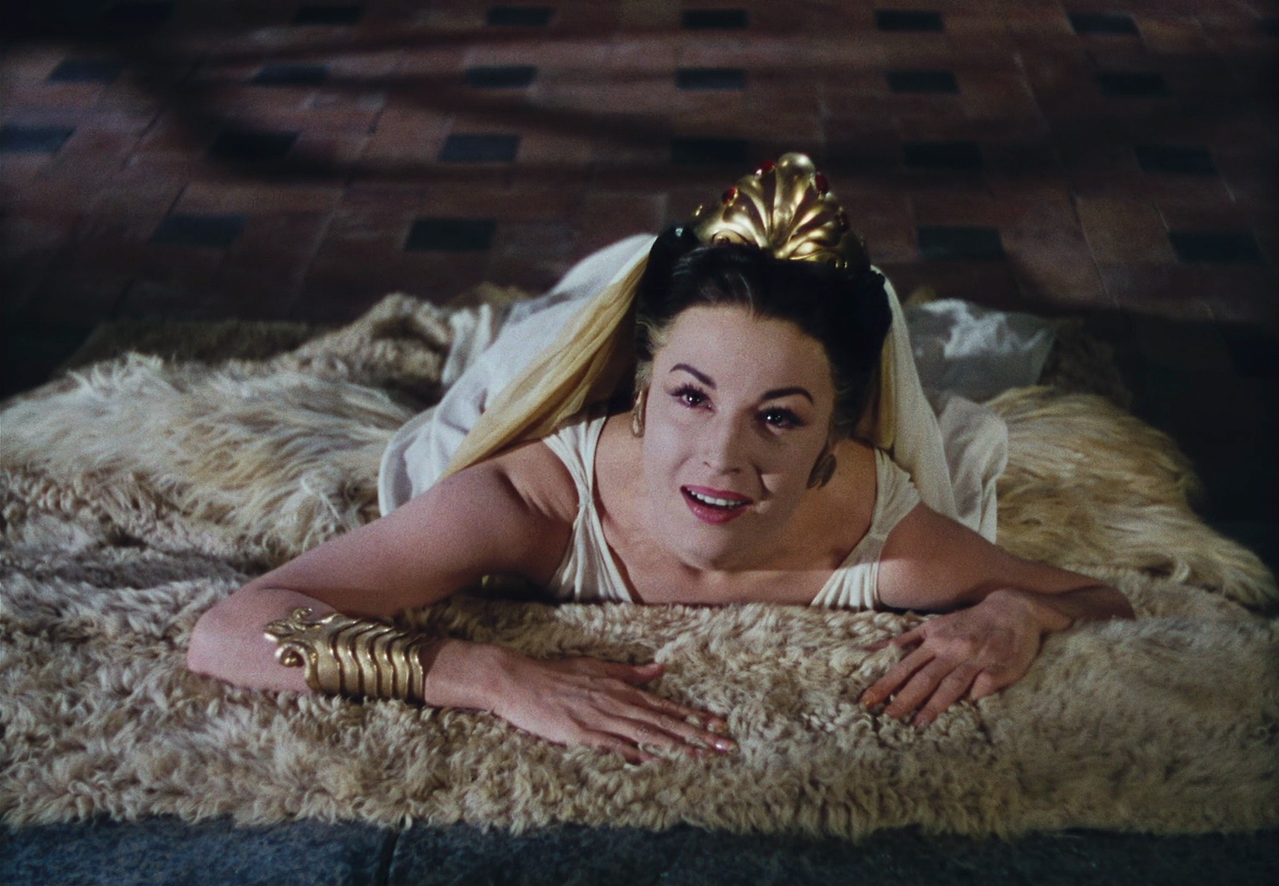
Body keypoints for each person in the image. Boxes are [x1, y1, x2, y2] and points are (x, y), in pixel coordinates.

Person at [187, 154, 1133, 764]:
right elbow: (230, 630)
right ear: (640, 397)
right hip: (590, 370)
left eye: (778, 419)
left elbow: (1100, 599)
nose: (721, 461)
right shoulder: (527, 505)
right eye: (690, 399)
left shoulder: (883, 538)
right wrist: (490, 675)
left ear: (833, 443)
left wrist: (1016, 610)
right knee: (538, 332)